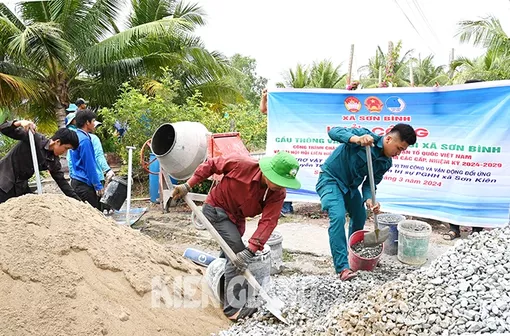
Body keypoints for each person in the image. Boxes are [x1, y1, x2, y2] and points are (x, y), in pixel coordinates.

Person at [171, 151, 301, 321]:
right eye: (277, 180)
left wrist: (252, 250)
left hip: (238, 219)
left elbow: (268, 222)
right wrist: (188, 185)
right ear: (268, 171)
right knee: (236, 254)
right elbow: (211, 165)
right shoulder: (242, 164)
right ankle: (233, 309)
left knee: (236, 254)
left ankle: (219, 281)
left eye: (284, 182)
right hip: (217, 209)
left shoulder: (277, 193)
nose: (280, 186)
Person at [317, 124, 417, 281]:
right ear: (388, 139)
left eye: (402, 151)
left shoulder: (386, 162)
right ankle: (342, 268)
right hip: (331, 180)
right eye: (398, 148)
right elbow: (333, 132)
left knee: (360, 215)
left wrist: (370, 200)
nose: (398, 153)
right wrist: (356, 139)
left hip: (350, 188)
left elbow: (370, 184)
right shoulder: (364, 135)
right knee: (338, 217)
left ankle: (354, 253)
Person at [0, 119, 81, 203]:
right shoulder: (33, 137)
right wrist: (20, 123)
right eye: (66, 148)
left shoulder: (53, 161)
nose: (65, 152)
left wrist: (79, 203)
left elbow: (62, 183)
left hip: (20, 187)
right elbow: (4, 129)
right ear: (58, 142)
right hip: (3, 182)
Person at [443, 79, 485, 240]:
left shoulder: (490, 109)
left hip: (481, 159)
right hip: (457, 159)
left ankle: (477, 229)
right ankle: (454, 229)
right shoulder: (457, 109)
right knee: (453, 191)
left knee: (478, 193)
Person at [259, 88, 294, 216]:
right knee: (277, 174)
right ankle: (283, 207)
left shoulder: (294, 112)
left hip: (293, 147)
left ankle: (286, 206)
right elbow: (263, 110)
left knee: (287, 174)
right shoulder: (277, 111)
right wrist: (264, 97)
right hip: (280, 146)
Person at [69, 109, 103, 208]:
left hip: (76, 181)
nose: (94, 124)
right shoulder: (85, 141)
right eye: (93, 121)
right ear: (87, 123)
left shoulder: (75, 136)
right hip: (84, 184)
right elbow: (89, 165)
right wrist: (97, 185)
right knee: (94, 216)